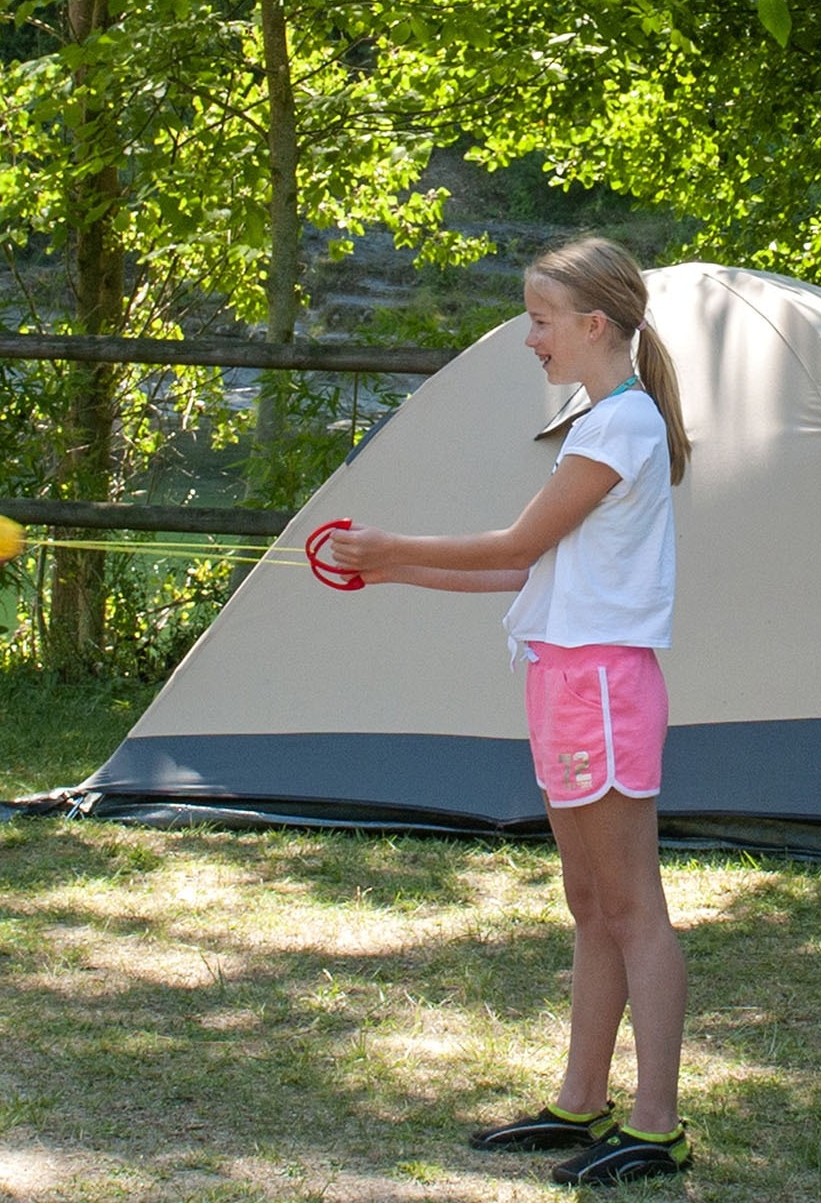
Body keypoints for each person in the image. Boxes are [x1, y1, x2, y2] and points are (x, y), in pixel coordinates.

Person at [322, 236, 693, 1187]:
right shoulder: (598, 421)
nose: (530, 338)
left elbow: (521, 537)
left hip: (602, 688)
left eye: (540, 320)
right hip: (569, 681)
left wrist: (393, 540)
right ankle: (581, 1100)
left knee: (631, 907)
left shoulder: (619, 426)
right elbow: (529, 567)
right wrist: (389, 566)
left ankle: (656, 1125)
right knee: (589, 905)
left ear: (593, 324)